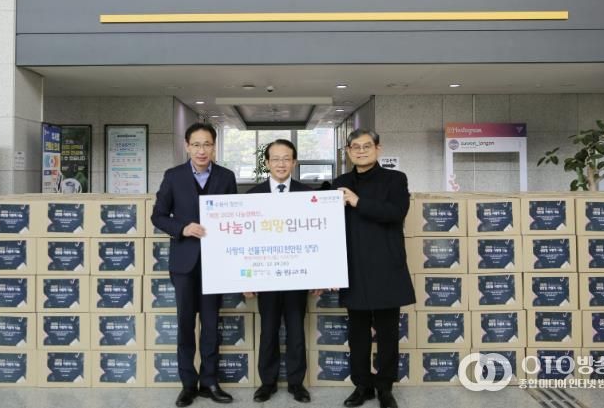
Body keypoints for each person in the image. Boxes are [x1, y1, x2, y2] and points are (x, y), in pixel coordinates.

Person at [152, 122, 237, 407]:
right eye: (196, 144)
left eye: (207, 144)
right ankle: (188, 384)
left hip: (216, 262)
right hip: (184, 263)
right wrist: (183, 228)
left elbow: (235, 215)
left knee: (211, 325)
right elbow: (158, 216)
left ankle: (209, 382)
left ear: (214, 147)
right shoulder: (173, 176)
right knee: (185, 325)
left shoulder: (226, 177)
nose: (202, 150)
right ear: (187, 146)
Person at [332, 128, 415, 408]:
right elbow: (327, 226)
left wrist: (358, 202)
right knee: (357, 334)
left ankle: (385, 387)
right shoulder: (339, 183)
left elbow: (396, 213)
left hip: (386, 267)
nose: (361, 151)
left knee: (388, 333)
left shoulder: (395, 179)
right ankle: (362, 386)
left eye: (366, 146)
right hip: (353, 268)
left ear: (378, 149)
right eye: (355, 147)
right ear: (348, 152)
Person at [246, 139, 315, 403]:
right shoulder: (252, 196)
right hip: (265, 275)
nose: (281, 164)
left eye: (286, 158)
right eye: (275, 159)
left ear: (294, 162)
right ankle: (268, 382)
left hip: (297, 276)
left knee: (296, 330)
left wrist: (319, 276)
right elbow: (244, 241)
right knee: (269, 330)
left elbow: (318, 237)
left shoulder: (308, 194)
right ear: (267, 163)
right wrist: (245, 279)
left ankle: (297, 383)